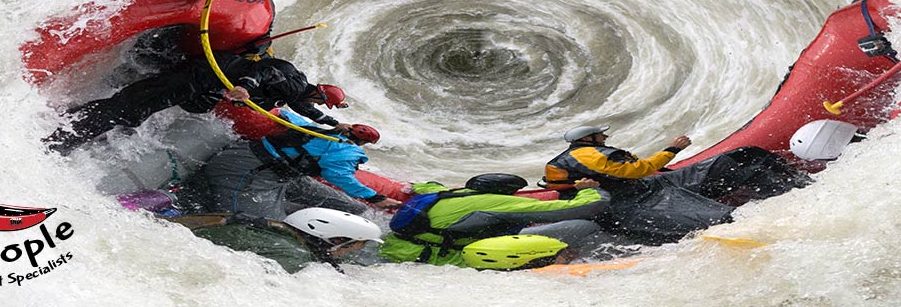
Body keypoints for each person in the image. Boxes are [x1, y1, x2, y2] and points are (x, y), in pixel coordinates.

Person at [543, 125, 811, 244]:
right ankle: (793, 228)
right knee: (727, 220)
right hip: (631, 204)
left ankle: (805, 192)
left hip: (653, 186)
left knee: (744, 157)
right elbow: (636, 170)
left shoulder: (582, 155)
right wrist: (672, 149)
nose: (605, 135)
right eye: (600, 133)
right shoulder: (585, 155)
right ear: (589, 138)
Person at [43, 52, 351, 154]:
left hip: (204, 85)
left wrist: (334, 125)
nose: (319, 108)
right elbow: (263, 71)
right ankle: (61, 135)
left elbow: (303, 109)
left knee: (134, 109)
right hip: (200, 76)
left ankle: (68, 125)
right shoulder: (293, 79)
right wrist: (245, 88)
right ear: (318, 93)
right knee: (131, 108)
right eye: (325, 106)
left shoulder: (298, 94)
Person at [178, 110, 402, 220]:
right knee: (263, 225)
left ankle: (301, 215)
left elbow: (287, 115)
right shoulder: (346, 150)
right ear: (363, 142)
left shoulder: (318, 128)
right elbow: (339, 176)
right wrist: (377, 198)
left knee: (352, 207)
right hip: (247, 173)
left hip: (280, 176)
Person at [379, 173, 612, 267]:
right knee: (585, 226)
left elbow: (427, 184)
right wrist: (588, 189)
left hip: (395, 250)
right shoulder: (497, 203)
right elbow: (587, 207)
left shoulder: (442, 193)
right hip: (438, 260)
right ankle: (560, 261)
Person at [181, 207, 385, 274]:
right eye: (356, 246)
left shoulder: (272, 228)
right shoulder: (294, 256)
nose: (350, 252)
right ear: (336, 239)